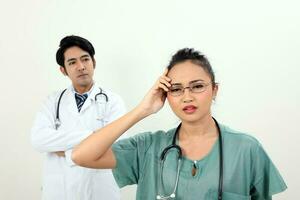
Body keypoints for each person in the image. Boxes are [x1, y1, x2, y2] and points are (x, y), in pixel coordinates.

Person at [72, 48, 287, 200]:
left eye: (197, 86)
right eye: (176, 89)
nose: (187, 97)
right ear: (166, 95)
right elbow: (81, 155)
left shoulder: (246, 149)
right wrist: (142, 109)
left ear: (215, 90)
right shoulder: (148, 147)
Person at [31, 35, 125, 200]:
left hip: (99, 191)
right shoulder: (52, 101)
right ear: (63, 70)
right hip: (59, 191)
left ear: (93, 62)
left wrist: (63, 149)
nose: (81, 67)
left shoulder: (113, 101)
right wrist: (95, 136)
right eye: (72, 62)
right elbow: (38, 140)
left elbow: (118, 145)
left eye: (85, 59)